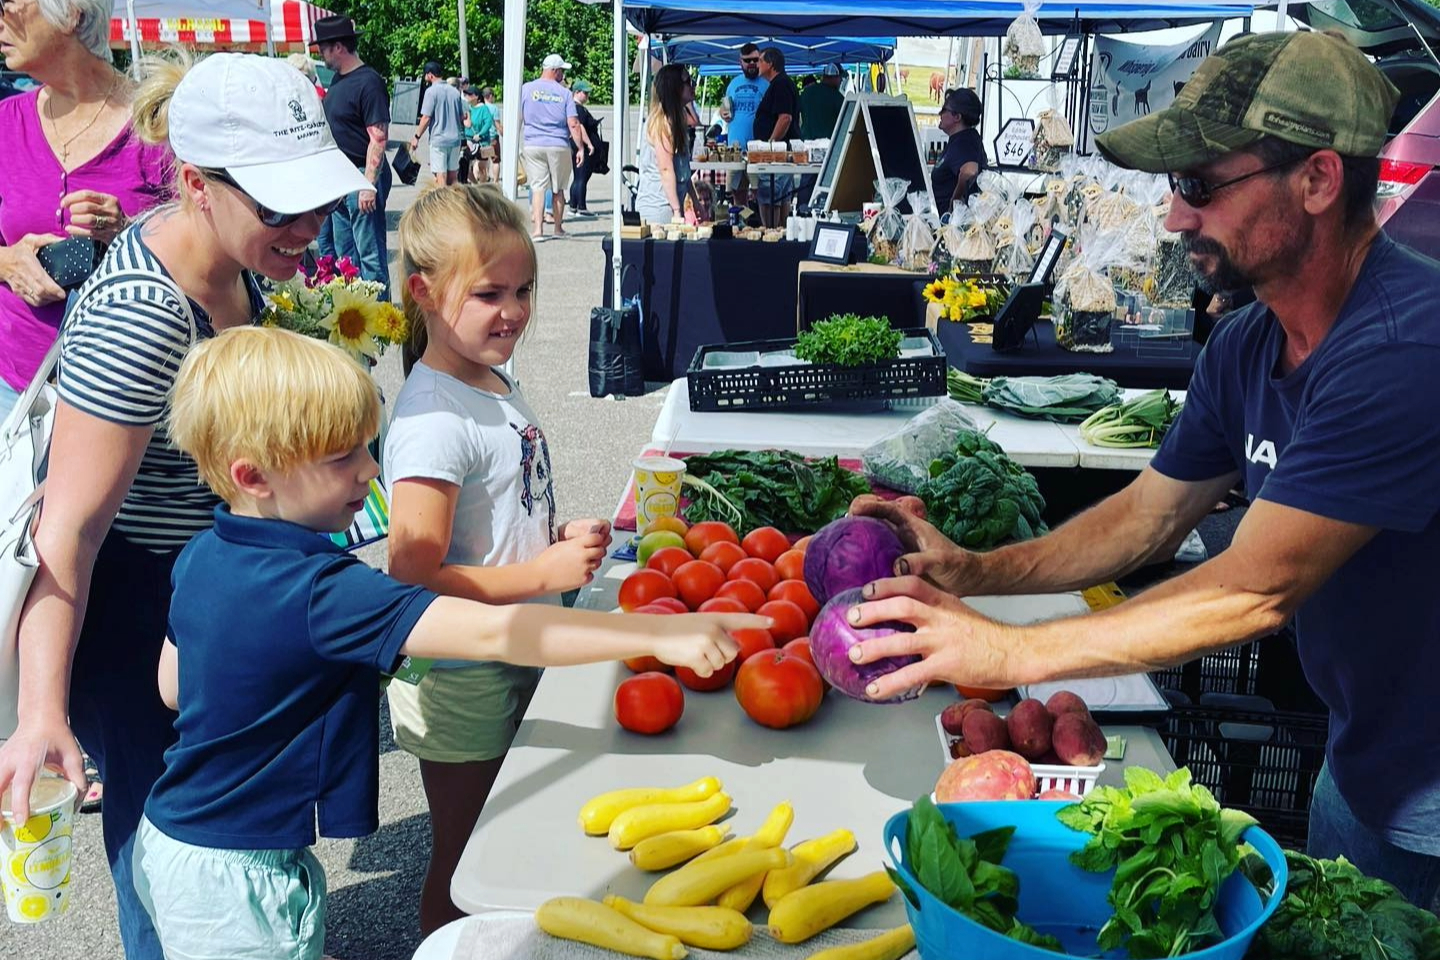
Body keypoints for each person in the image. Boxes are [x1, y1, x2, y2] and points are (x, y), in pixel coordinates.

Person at [842, 32, 1440, 909]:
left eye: (1201, 186)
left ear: (1318, 181)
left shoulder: (1405, 348)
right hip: (1365, 762)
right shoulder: (1247, 342)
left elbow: (1254, 591)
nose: (1173, 217)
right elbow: (1148, 517)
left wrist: (1009, 648)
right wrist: (982, 573)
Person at [129, 325, 756, 957]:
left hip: (172, 834)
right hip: (239, 878)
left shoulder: (204, 553)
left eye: (366, 448)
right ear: (254, 475)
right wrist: (654, 633)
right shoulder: (322, 591)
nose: (371, 470)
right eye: (342, 456)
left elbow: (174, 688)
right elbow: (498, 631)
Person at [0, 51, 366, 958]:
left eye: (315, 198)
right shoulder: (144, 316)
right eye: (280, 205)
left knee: (218, 836)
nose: (308, 226)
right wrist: (41, 712)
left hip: (201, 587)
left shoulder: (227, 256)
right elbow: (70, 532)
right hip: (133, 607)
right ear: (199, 184)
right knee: (165, 853)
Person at [0, 0, 171, 423]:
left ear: (73, 12)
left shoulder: (156, 123)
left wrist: (129, 233)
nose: (2, 16)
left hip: (128, 392)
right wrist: (7, 261)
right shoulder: (6, 123)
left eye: (10, 4)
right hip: (15, 390)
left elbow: (210, 248)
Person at [314, 14, 393, 298]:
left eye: (322, 47)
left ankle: (381, 322)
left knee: (369, 254)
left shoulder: (368, 81)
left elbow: (378, 138)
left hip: (361, 175)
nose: (320, 53)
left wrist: (367, 184)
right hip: (342, 178)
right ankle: (354, 314)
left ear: (338, 47)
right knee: (346, 257)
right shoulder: (338, 80)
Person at [521, 53, 585, 240]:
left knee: (538, 186)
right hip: (558, 144)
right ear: (554, 70)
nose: (563, 75)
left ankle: (538, 230)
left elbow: (519, 115)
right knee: (558, 188)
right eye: (562, 71)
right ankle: (557, 228)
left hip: (533, 143)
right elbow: (573, 123)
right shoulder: (564, 93)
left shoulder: (526, 89)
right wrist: (579, 147)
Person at [635, 64, 698, 226]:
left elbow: (683, 170)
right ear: (674, 87)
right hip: (659, 208)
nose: (693, 85)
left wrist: (695, 201)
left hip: (671, 204)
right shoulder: (662, 122)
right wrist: (676, 211)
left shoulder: (678, 117)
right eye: (688, 81)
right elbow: (665, 169)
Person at [752, 47, 800, 227]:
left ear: (770, 64)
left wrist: (770, 144)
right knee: (779, 195)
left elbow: (785, 117)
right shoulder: (780, 83)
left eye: (760, 61)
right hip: (780, 152)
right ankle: (779, 231)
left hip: (777, 154)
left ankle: (772, 231)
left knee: (770, 194)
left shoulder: (780, 84)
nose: (757, 64)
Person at [719, 42, 767, 208]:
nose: (752, 63)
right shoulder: (733, 84)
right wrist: (722, 112)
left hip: (758, 150)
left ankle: (763, 229)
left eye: (755, 59)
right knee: (737, 195)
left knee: (761, 195)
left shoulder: (766, 84)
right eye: (748, 60)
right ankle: (741, 228)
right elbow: (726, 107)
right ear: (740, 62)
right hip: (736, 149)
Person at [797, 63, 845, 211]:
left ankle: (801, 213)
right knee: (827, 186)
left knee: (806, 184)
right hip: (829, 151)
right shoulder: (838, 98)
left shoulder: (806, 93)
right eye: (840, 79)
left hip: (807, 149)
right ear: (835, 78)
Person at [411, 60, 467, 187]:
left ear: (430, 75)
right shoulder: (454, 92)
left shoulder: (431, 92)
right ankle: (453, 201)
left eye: (425, 74)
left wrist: (416, 137)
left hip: (439, 140)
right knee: (453, 175)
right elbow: (461, 116)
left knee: (440, 175)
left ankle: (443, 203)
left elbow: (426, 118)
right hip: (455, 139)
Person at [932, 87, 987, 212]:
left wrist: (955, 200)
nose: (940, 114)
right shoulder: (962, 139)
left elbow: (970, 171)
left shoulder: (963, 141)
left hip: (951, 224)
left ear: (957, 117)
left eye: (944, 110)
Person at [569, 79, 601, 217]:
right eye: (585, 93)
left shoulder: (573, 107)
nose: (587, 96)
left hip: (575, 145)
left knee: (577, 177)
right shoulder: (578, 109)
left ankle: (573, 205)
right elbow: (580, 127)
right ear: (577, 92)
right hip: (581, 147)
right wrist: (589, 144)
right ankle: (581, 206)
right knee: (582, 177)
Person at [461, 86, 497, 185]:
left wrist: (480, 134)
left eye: (470, 94)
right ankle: (476, 185)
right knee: (464, 166)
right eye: (466, 94)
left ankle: (482, 187)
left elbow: (488, 123)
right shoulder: (467, 108)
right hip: (468, 141)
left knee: (482, 168)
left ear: (476, 96)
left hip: (482, 141)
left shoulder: (483, 108)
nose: (467, 96)